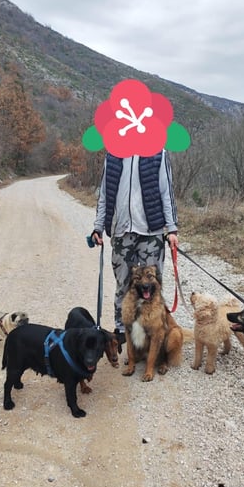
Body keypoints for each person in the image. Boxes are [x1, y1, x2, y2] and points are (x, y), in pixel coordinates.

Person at [90, 149, 179, 349]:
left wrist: (172, 228)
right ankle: (122, 331)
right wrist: (98, 226)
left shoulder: (158, 153)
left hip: (151, 231)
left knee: (152, 286)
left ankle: (153, 333)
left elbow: (167, 192)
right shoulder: (113, 154)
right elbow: (104, 194)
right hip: (121, 231)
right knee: (123, 284)